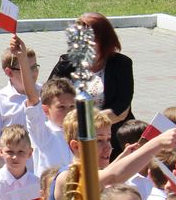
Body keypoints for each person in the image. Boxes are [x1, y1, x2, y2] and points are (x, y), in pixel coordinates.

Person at [48, 13, 134, 153]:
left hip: (110, 140)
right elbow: (48, 98)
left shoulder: (121, 64)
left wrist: (84, 124)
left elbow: (122, 110)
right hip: (69, 140)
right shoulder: (66, 63)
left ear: (103, 40)